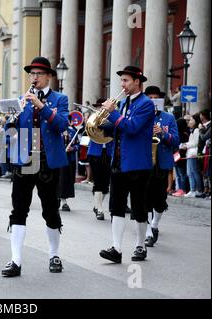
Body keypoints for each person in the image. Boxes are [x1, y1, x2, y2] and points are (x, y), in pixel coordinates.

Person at [1, 56, 69, 277]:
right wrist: (10, 119)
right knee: (19, 209)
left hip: (47, 162)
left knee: (50, 209)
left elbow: (62, 125)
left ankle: (54, 254)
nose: (35, 78)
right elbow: (11, 132)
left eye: (39, 74)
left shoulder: (60, 99)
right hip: (24, 160)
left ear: (49, 76)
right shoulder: (22, 100)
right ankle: (15, 260)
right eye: (32, 74)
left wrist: (41, 106)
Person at [99, 65, 155, 263]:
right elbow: (117, 128)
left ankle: (140, 246)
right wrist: (99, 123)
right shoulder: (122, 104)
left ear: (137, 82)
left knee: (139, 207)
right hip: (119, 162)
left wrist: (113, 114)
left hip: (138, 164)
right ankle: (116, 247)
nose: (122, 84)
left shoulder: (146, 104)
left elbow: (131, 128)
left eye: (126, 81)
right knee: (116, 206)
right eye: (121, 80)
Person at [143, 86, 179, 247]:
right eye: (148, 97)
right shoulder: (141, 116)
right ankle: (148, 233)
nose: (152, 100)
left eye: (155, 98)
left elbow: (176, 141)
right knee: (144, 198)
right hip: (143, 162)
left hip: (162, 162)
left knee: (159, 200)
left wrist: (162, 134)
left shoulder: (168, 118)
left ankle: (154, 224)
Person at [87, 98, 114, 221]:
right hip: (95, 153)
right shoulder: (93, 118)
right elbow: (89, 130)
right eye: (100, 107)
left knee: (105, 183)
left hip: (108, 153)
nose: (101, 109)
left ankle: (96, 205)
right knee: (98, 181)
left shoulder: (112, 119)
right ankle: (99, 209)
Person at [57, 115, 79, 212]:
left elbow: (78, 144)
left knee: (67, 181)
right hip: (58, 159)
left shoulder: (73, 132)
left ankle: (64, 201)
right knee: (59, 180)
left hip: (69, 159)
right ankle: (61, 201)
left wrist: (72, 148)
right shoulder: (56, 131)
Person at [180, 113, 202, 197]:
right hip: (189, 153)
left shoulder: (196, 130)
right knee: (189, 172)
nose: (189, 121)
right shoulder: (193, 131)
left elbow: (195, 143)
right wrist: (185, 144)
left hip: (193, 153)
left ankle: (198, 190)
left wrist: (186, 145)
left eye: (191, 119)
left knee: (194, 172)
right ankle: (192, 189)